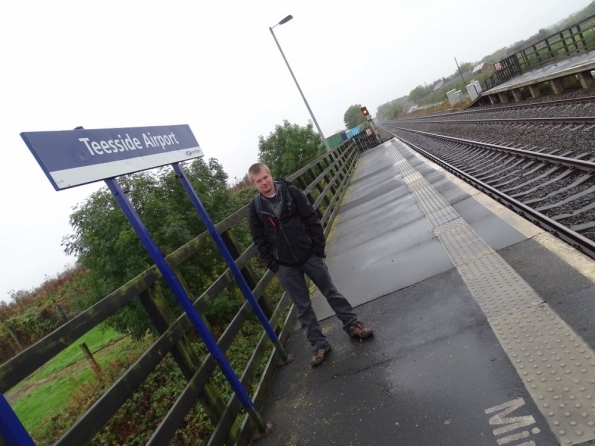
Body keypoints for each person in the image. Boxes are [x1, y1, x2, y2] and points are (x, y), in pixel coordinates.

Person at [247, 163, 373, 367]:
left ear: (270, 175)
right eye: (258, 181)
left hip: (308, 254)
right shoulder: (256, 208)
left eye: (265, 178)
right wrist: (274, 265)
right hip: (285, 264)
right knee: (302, 307)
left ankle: (352, 325)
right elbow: (259, 240)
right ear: (254, 184)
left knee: (331, 292)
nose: (264, 183)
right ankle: (319, 344)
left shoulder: (290, 192)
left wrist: (317, 249)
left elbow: (311, 218)